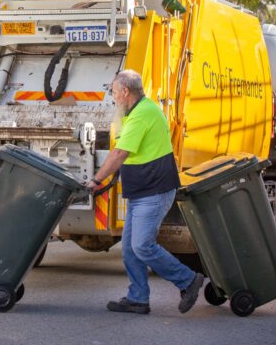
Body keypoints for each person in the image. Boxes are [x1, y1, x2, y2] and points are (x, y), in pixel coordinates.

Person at [85, 69, 204, 314]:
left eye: (115, 92)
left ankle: (188, 280)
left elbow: (119, 153)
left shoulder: (142, 115)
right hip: (142, 192)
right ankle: (138, 298)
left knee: (142, 246)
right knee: (130, 248)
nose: (114, 97)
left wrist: (96, 180)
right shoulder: (137, 112)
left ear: (125, 91)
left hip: (154, 191)